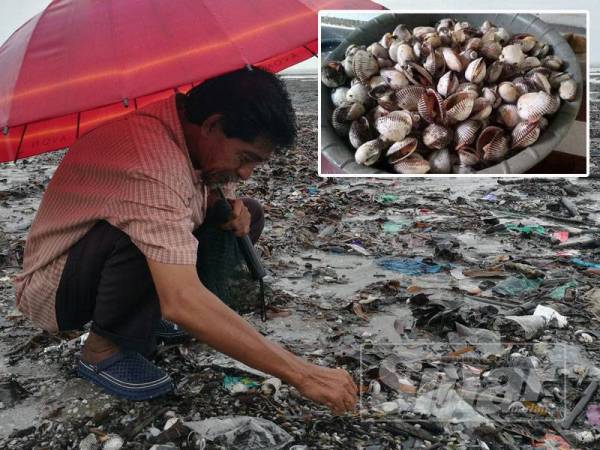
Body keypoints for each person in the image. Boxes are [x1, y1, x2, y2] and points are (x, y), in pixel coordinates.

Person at [12, 67, 357, 414]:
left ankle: (144, 314)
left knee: (243, 212)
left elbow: (199, 188)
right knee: (144, 239)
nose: (245, 172)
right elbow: (182, 300)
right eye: (245, 158)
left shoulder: (184, 125)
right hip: (56, 288)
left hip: (106, 258)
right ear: (212, 125)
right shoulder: (149, 164)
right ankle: (102, 349)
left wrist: (229, 205)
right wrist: (303, 374)